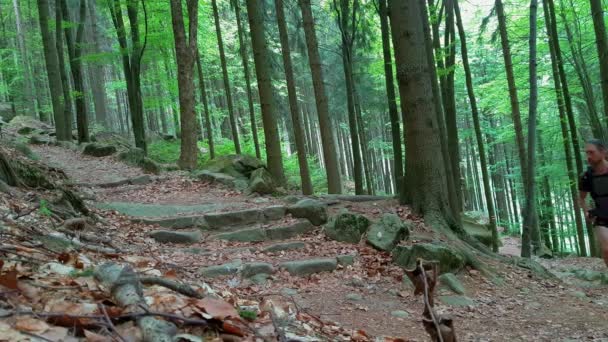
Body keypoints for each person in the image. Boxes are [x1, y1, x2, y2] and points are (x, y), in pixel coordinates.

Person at [579, 139, 608, 266]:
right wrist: (586, 211)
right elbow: (581, 197)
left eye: (591, 152)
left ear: (603, 153)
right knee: (607, 249)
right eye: (586, 153)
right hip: (601, 216)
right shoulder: (586, 176)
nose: (588, 157)